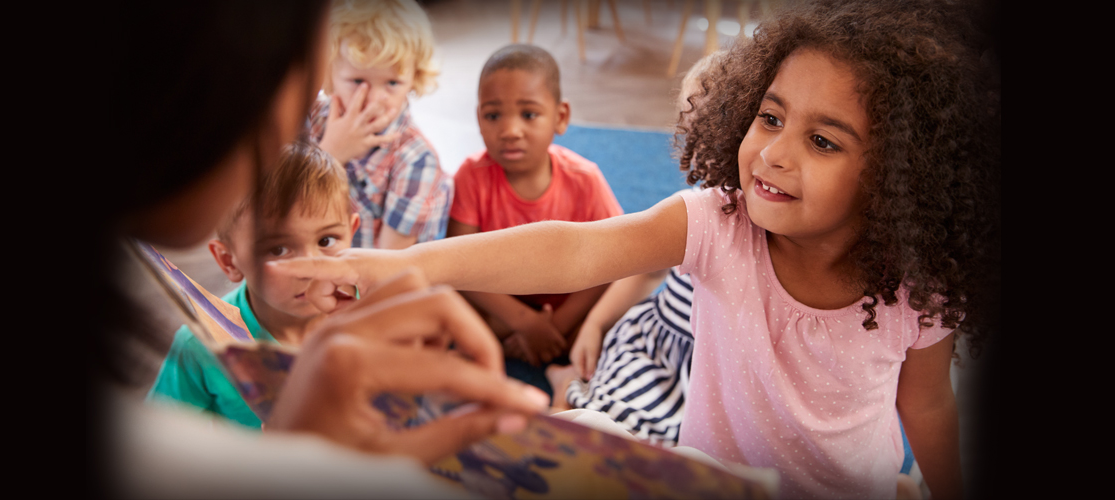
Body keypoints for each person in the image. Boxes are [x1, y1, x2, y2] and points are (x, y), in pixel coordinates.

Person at [274, 1, 999, 498]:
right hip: (702, 483)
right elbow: (574, 250)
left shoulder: (919, 287)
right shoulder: (719, 223)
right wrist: (408, 262)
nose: (773, 153)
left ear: (899, 175)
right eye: (769, 117)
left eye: (822, 140)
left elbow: (927, 404)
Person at [97, 1, 547, 496]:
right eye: (349, 80)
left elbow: (390, 270)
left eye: (392, 83)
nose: (368, 98)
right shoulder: (199, 347)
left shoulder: (409, 172)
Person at [541, 51, 729, 446]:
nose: (698, 149)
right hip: (656, 350)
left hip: (711, 373)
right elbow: (647, 270)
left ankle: (569, 389)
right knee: (595, 424)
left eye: (716, 133)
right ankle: (566, 387)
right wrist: (595, 323)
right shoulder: (696, 210)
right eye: (690, 131)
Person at [445, 44, 623, 397]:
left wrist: (555, 326)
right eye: (493, 116)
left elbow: (613, 260)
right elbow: (455, 266)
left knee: (619, 317)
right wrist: (523, 322)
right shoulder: (471, 175)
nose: (510, 130)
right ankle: (508, 343)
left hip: (566, 307)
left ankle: (550, 356)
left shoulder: (585, 178)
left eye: (528, 115)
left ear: (560, 116)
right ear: (478, 117)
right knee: (443, 304)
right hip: (498, 304)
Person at [146, 142, 363, 430]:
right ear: (229, 261)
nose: (312, 269)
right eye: (278, 249)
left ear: (352, 231)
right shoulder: (200, 345)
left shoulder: (374, 310)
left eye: (326, 241)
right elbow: (164, 439)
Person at [307, 0, 451, 250]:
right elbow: (275, 209)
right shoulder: (310, 120)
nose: (373, 99)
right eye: (357, 80)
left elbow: (388, 268)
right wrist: (330, 154)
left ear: (414, 78)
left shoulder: (416, 160)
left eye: (392, 83)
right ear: (328, 73)